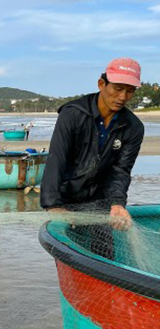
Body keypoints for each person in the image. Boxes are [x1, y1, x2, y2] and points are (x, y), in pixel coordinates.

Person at [41, 57, 144, 259]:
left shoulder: (133, 127)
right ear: (101, 84)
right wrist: (53, 205)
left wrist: (116, 203)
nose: (123, 96)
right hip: (67, 199)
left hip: (99, 201)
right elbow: (56, 159)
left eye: (130, 90)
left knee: (104, 254)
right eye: (118, 88)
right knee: (72, 254)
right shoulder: (73, 114)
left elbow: (120, 171)